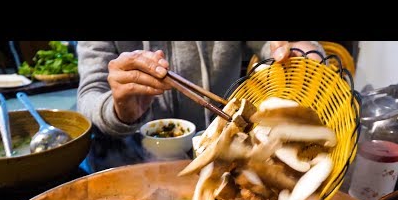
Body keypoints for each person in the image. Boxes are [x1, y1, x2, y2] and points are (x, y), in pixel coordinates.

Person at [76, 41, 325, 171]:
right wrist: (121, 109)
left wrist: (300, 51)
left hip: (221, 152)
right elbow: (88, 98)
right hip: (132, 162)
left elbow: (282, 45)